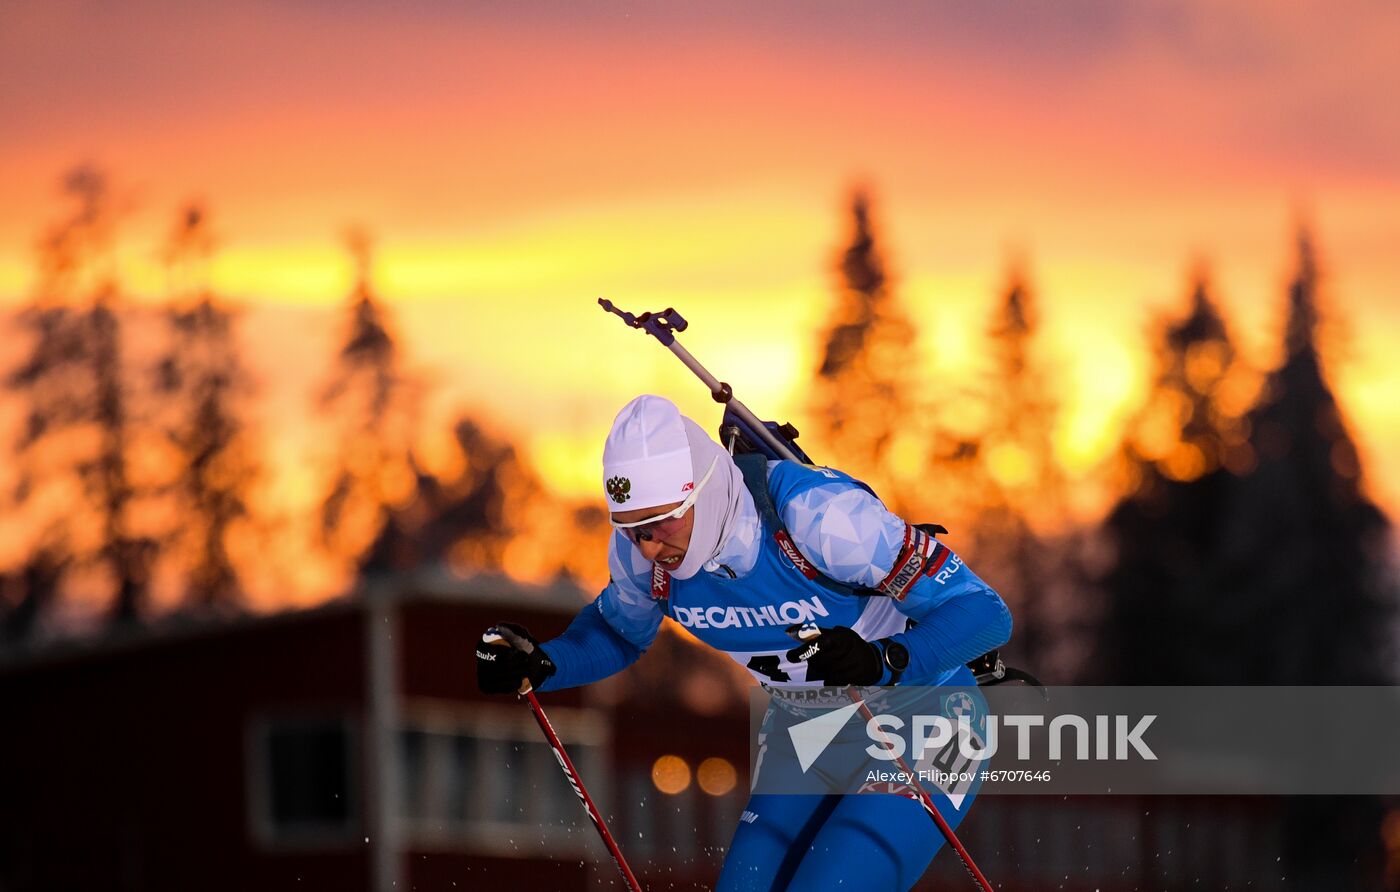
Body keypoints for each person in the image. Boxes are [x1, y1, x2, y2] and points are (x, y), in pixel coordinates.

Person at [477, 394, 1012, 891]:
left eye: (662, 522)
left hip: (930, 724)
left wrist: (883, 659)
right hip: (806, 732)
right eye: (631, 528)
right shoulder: (643, 560)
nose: (648, 546)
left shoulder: (817, 516)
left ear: (704, 490)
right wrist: (544, 663)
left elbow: (985, 612)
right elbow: (619, 633)